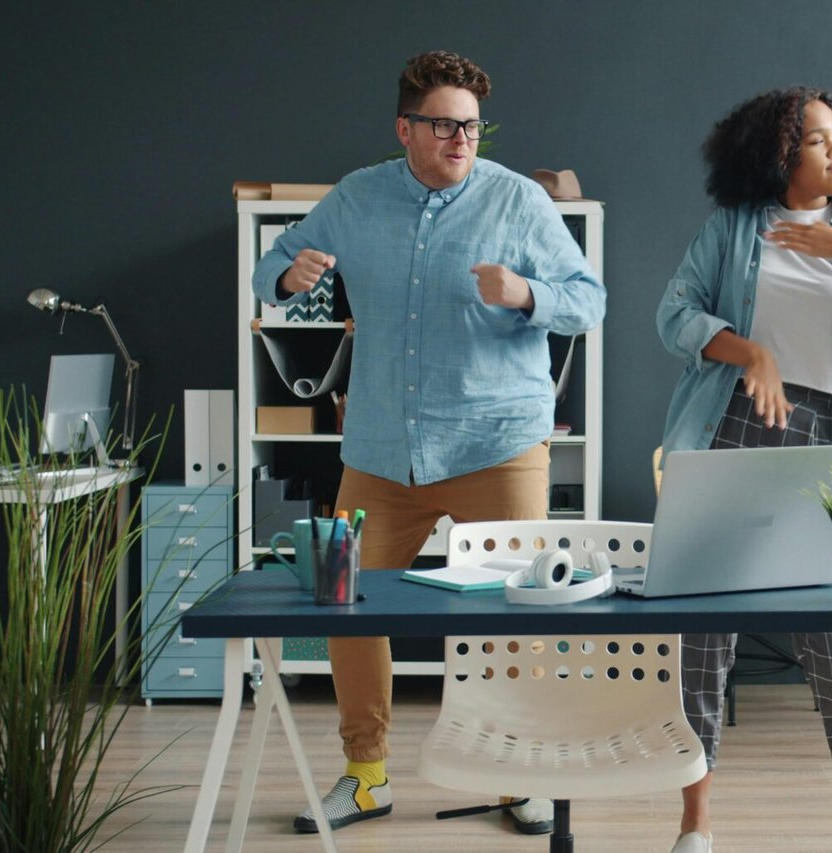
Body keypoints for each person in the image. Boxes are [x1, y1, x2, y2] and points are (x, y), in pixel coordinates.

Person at [252, 50, 605, 836]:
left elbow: (589, 300)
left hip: (497, 441)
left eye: (473, 126)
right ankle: (367, 775)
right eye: (446, 125)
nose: (462, 139)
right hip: (381, 448)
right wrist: (286, 277)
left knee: (517, 613)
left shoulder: (517, 202)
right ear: (405, 128)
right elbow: (271, 267)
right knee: (343, 606)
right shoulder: (355, 196)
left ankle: (519, 775)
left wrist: (528, 294)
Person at [655, 87, 832, 853]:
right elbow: (673, 315)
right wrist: (751, 351)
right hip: (731, 429)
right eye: (816, 139)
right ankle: (695, 827)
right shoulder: (733, 230)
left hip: (828, 445)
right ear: (780, 153)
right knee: (701, 645)